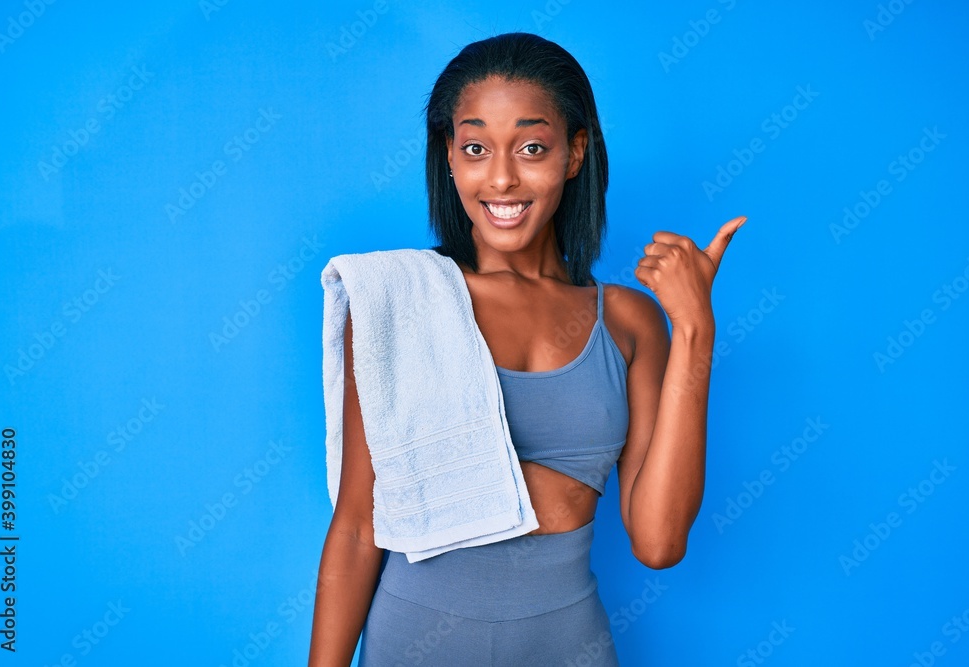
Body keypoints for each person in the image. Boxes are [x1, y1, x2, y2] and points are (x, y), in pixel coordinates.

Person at [308, 31, 745, 666]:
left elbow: (658, 541)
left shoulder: (628, 322)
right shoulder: (397, 300)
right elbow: (354, 526)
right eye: (477, 148)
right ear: (450, 158)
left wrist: (695, 329)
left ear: (575, 153)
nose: (502, 178)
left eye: (532, 147)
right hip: (414, 642)